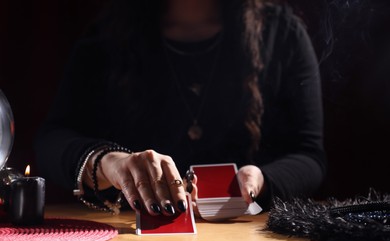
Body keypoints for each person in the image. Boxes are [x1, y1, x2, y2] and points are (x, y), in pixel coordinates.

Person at [34, 0, 326, 217]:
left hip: (249, 240)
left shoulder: (283, 33)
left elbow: (309, 155)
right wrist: (108, 162)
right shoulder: (106, 38)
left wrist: (260, 179)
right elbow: (51, 140)